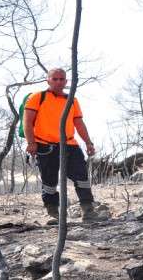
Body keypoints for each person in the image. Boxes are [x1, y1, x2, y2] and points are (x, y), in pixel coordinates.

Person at [23, 68, 106, 223]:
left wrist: (88, 142)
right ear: (48, 80)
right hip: (44, 145)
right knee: (50, 180)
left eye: (62, 79)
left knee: (81, 176)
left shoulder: (72, 100)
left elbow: (79, 122)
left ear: (66, 82)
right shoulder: (37, 97)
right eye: (55, 79)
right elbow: (27, 121)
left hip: (70, 144)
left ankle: (88, 212)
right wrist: (31, 142)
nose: (58, 82)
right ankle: (53, 214)